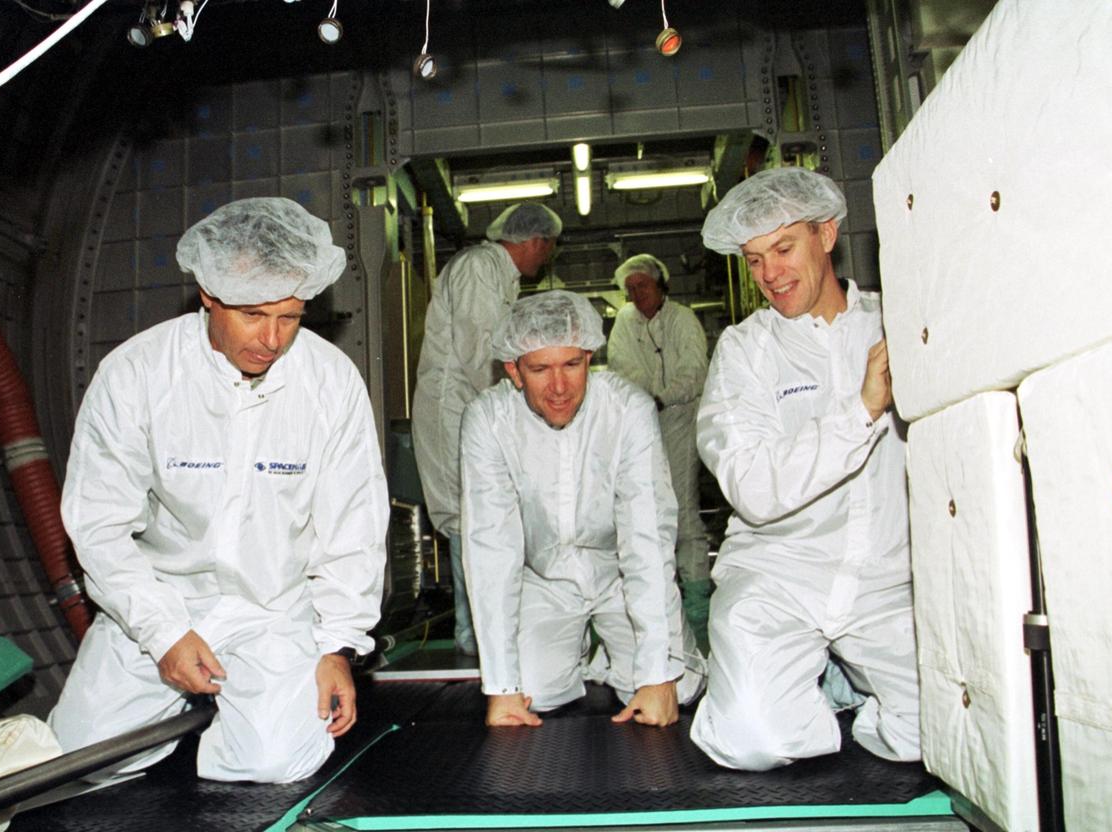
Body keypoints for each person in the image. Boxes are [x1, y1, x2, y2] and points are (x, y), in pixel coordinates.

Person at [49, 198, 389, 783]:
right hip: (163, 599)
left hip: (273, 609)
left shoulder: (330, 381)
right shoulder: (137, 374)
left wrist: (337, 648)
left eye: (291, 317)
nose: (273, 339)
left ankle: (247, 714)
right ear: (209, 294)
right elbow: (99, 525)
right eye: (253, 315)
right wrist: (162, 634)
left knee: (275, 762)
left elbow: (353, 527)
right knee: (81, 759)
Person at [690, 167, 920, 770]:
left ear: (827, 233)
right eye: (754, 259)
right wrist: (864, 409)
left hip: (886, 583)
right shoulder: (745, 351)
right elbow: (753, 487)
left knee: (945, 731)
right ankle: (788, 677)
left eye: (784, 248)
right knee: (753, 740)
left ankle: (837, 686)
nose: (770, 275)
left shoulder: (897, 326)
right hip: (778, 577)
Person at [460, 290, 705, 728]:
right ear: (514, 371)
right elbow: (490, 549)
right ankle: (577, 651)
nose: (559, 387)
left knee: (680, 689)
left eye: (572, 365)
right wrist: (501, 687)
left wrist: (656, 676)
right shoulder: (488, 420)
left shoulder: (628, 409)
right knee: (532, 693)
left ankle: (616, 654)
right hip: (543, 580)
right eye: (540, 369)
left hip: (619, 578)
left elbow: (647, 538)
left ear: (590, 357)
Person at [411, 203, 562, 655]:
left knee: (485, 514)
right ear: (535, 241)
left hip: (475, 405)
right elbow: (480, 349)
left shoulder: (499, 275)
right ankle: (475, 635)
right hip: (454, 408)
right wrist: (522, 406)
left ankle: (489, 630)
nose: (544, 260)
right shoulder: (479, 266)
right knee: (468, 518)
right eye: (547, 250)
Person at [605, 254, 711, 646]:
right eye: (629, 289)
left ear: (660, 283)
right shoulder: (623, 323)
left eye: (642, 286)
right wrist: (646, 399)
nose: (635, 294)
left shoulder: (682, 319)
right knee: (643, 514)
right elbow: (621, 366)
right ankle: (658, 604)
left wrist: (665, 397)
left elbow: (695, 370)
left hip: (680, 419)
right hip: (641, 424)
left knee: (683, 513)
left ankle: (698, 606)